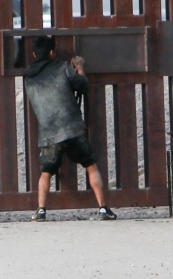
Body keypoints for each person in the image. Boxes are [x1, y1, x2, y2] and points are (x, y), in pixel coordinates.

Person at [23, 35, 116, 222]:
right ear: (51, 52)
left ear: (34, 54)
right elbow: (82, 86)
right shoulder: (62, 67)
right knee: (90, 165)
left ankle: (41, 210)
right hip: (72, 128)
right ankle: (103, 209)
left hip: (49, 133)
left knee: (46, 172)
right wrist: (80, 68)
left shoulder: (28, 77)